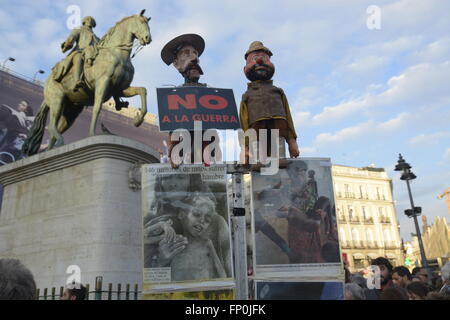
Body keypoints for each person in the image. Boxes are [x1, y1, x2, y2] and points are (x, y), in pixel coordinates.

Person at [160, 34, 220, 166]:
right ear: (176, 64)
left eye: (196, 54)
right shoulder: (175, 95)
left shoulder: (209, 93)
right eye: (187, 54)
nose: (194, 58)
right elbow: (172, 124)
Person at [239, 41, 299, 161]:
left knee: (279, 155)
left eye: (265, 58)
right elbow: (243, 122)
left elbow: (288, 117)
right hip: (255, 137)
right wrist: (245, 147)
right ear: (245, 68)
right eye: (255, 58)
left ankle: (280, 160)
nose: (260, 61)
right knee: (257, 153)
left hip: (279, 134)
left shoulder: (278, 92)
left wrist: (292, 141)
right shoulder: (247, 95)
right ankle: (257, 160)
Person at [154, 194, 232, 281]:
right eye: (197, 214)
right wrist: (161, 261)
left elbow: (222, 275)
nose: (202, 221)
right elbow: (158, 274)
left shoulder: (206, 243)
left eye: (207, 220)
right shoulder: (170, 243)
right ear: (181, 214)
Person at [55, 16, 100, 91]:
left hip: (93, 55)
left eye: (92, 20)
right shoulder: (79, 29)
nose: (90, 21)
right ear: (84, 21)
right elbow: (71, 38)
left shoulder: (96, 37)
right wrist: (67, 44)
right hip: (80, 51)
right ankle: (77, 80)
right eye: (88, 19)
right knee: (78, 57)